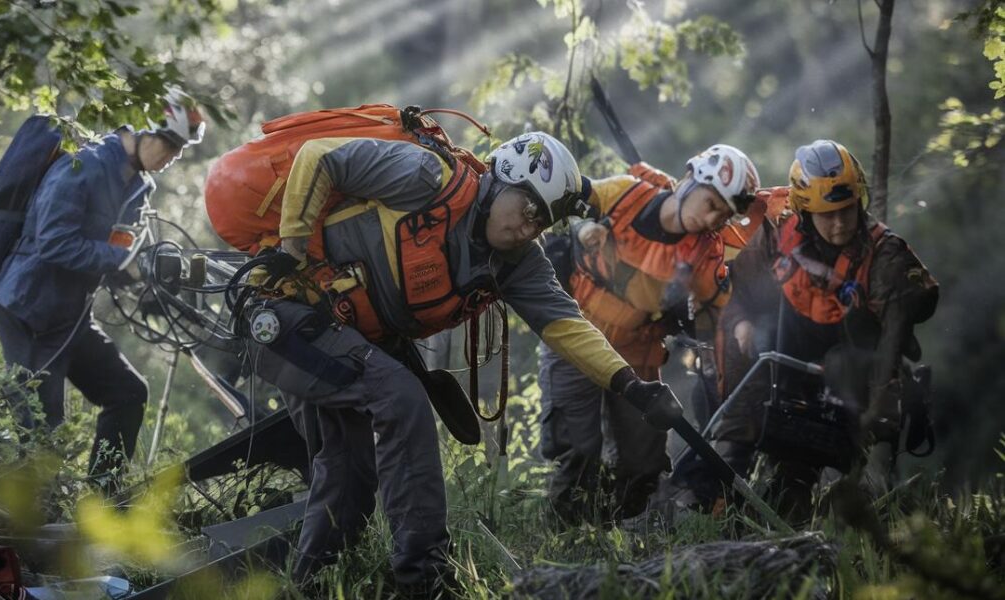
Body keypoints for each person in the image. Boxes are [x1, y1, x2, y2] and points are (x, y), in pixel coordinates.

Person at [242, 131, 681, 597]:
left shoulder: (518, 262)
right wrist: (290, 250)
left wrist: (633, 387)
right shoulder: (426, 177)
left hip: (342, 335)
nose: (529, 229)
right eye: (530, 211)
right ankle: (425, 577)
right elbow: (319, 155)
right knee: (399, 394)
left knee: (351, 474)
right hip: (283, 313)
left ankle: (308, 584)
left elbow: (567, 326)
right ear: (503, 181)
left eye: (542, 223)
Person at [670, 140, 938, 517]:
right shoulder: (778, 235)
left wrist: (877, 408)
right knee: (748, 354)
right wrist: (743, 321)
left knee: (800, 476)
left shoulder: (884, 254)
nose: (840, 223)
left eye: (846, 210)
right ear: (804, 210)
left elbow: (899, 332)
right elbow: (739, 291)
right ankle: (716, 493)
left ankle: (797, 506)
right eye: (827, 214)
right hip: (780, 361)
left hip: (842, 379)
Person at [0, 91, 205, 491]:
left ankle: (101, 502)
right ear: (142, 131)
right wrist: (122, 263)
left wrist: (147, 278)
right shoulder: (81, 166)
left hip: (69, 316)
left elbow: (117, 250)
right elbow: (53, 242)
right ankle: (31, 528)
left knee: (127, 393)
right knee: (43, 430)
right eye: (170, 144)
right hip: (28, 309)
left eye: (180, 149)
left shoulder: (138, 187)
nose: (173, 156)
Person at [537, 146, 760, 524]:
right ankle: (564, 538)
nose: (711, 218)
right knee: (576, 450)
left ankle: (621, 538)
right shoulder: (626, 194)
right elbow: (569, 197)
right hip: (576, 339)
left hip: (638, 355)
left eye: (722, 215)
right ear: (691, 179)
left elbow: (720, 317)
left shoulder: (705, 255)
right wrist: (577, 233)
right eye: (710, 204)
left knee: (644, 465)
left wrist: (740, 329)